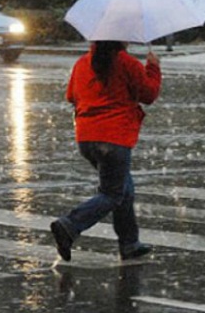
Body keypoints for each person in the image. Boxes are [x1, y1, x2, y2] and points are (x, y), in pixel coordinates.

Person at [50, 40, 162, 261]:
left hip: (87, 138)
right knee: (112, 193)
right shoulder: (127, 63)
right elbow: (148, 95)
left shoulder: (82, 63)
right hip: (114, 138)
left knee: (124, 189)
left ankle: (129, 243)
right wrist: (153, 68)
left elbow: (71, 96)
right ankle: (70, 225)